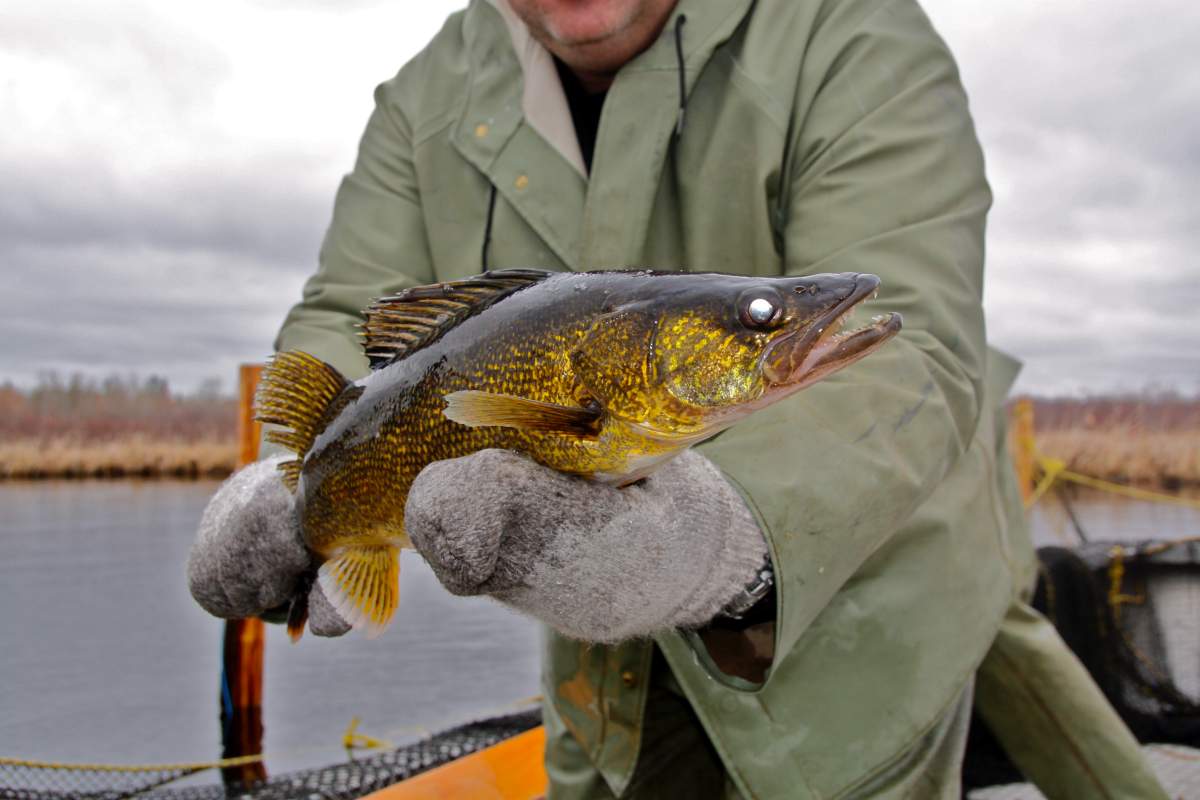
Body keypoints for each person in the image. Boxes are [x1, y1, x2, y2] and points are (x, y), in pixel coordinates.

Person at [187, 0, 1169, 797]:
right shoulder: (425, 98)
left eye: (750, 316)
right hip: (595, 686)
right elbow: (350, 312)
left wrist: (727, 536)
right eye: (752, 318)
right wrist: (294, 478)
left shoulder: (854, 31)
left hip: (864, 650)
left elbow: (916, 342)